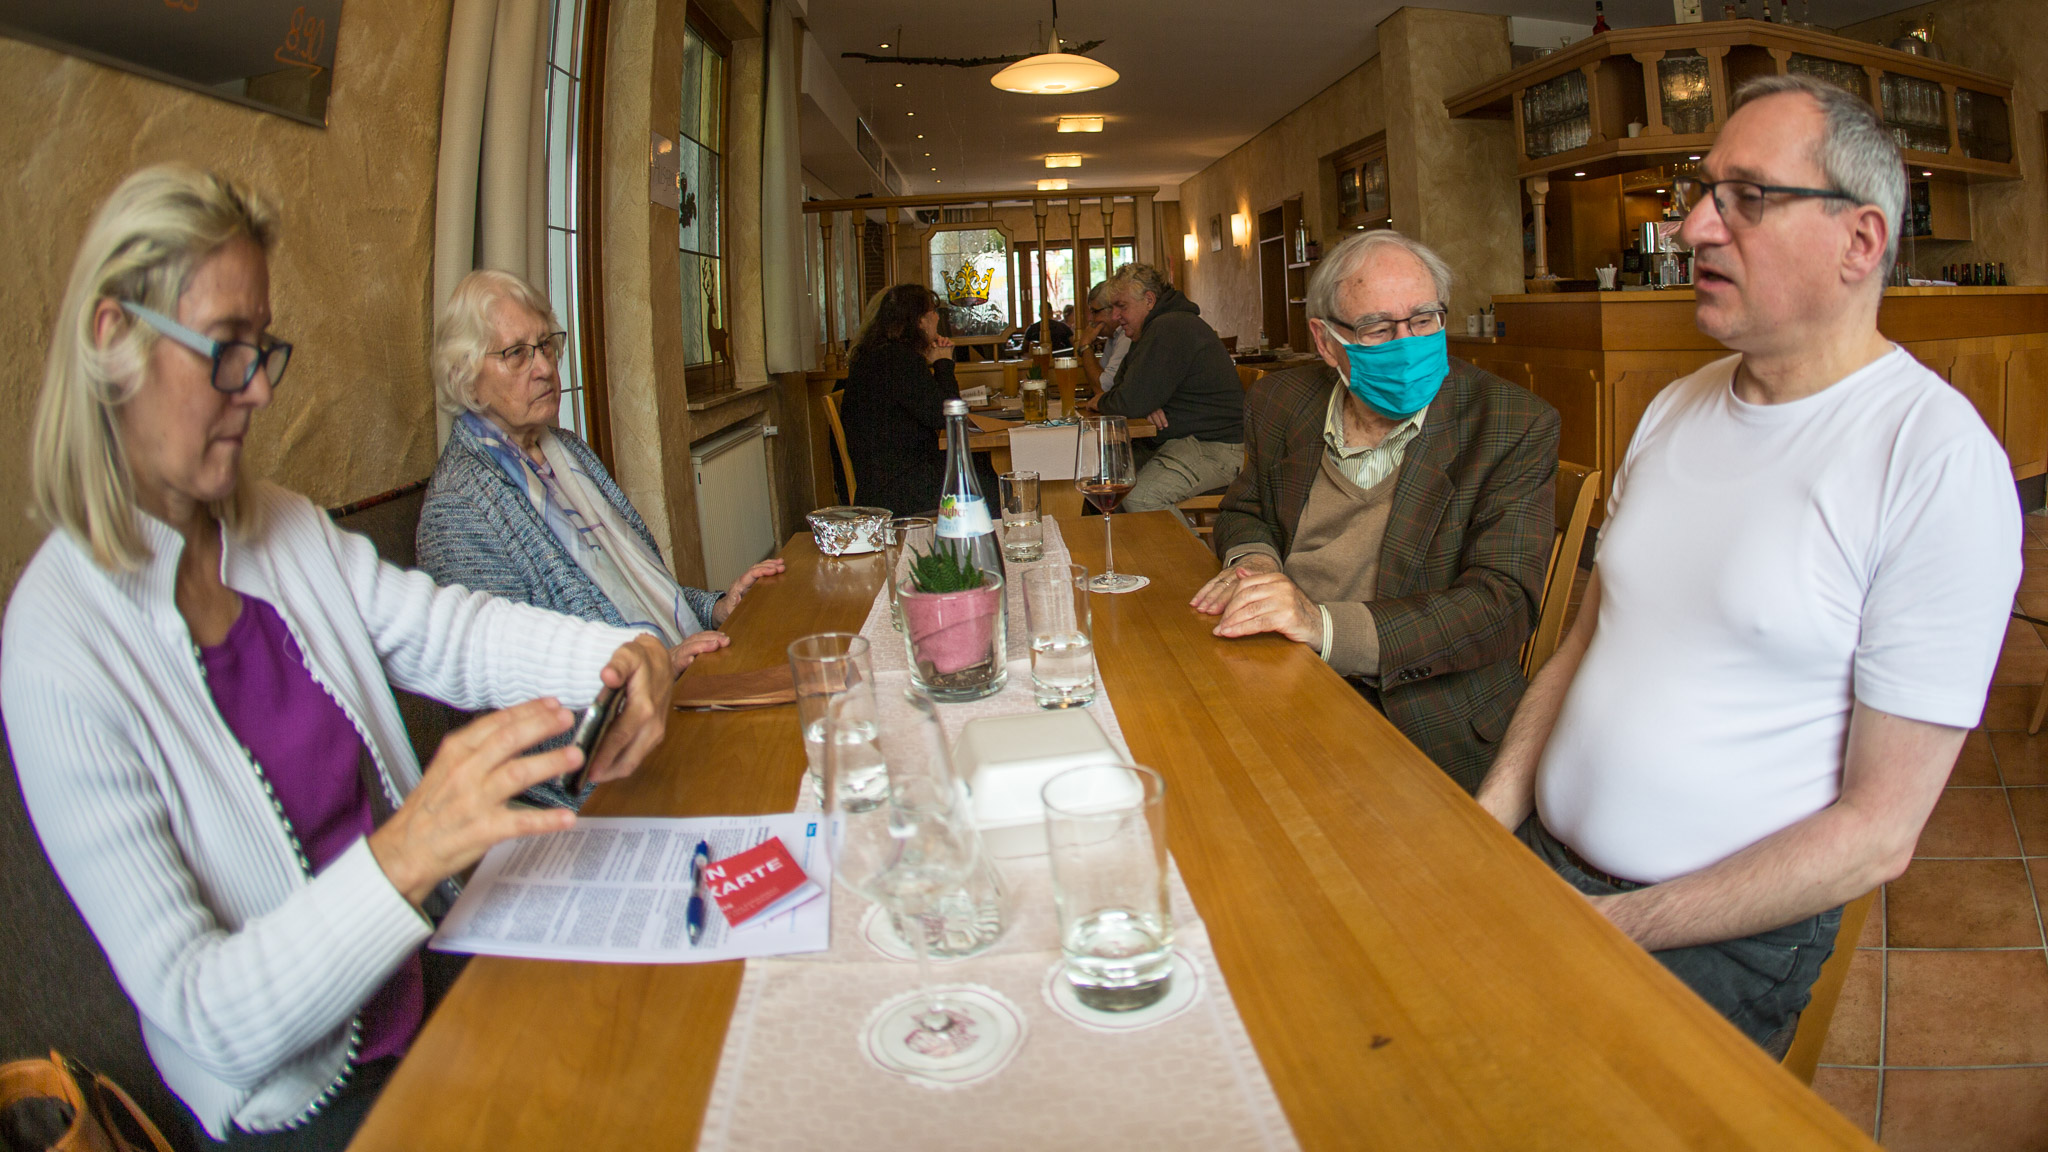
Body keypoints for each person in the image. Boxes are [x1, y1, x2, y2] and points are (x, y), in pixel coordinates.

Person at [2, 165, 676, 1148]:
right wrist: (409, 853)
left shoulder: (280, 528)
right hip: (311, 1104)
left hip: (437, 975)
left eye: (263, 349)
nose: (259, 389)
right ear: (113, 341)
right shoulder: (57, 646)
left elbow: (447, 632)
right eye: (226, 350)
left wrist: (624, 649)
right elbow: (204, 1014)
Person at [1475, 75, 2021, 1054]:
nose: (1692, 228)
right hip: (1539, 863)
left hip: (1712, 934)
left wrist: (1610, 927)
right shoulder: (1673, 407)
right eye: (1701, 192)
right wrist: (1489, 820)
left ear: (1859, 241)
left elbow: (1876, 832)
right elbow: (1583, 646)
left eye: (1747, 199)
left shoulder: (1931, 460)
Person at [1194, 231, 1559, 791]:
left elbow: (1502, 604)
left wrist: (1322, 625)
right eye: (1378, 329)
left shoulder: (1511, 423)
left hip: (1422, 708)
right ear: (1326, 341)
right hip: (1278, 668)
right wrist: (1256, 563)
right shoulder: (1282, 402)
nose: (1408, 345)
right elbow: (1246, 508)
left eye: (1424, 320)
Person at [415, 268, 780, 699]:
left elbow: (641, 590)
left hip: (680, 682)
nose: (544, 368)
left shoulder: (569, 452)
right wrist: (657, 668)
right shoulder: (458, 508)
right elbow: (508, 689)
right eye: (516, 354)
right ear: (466, 377)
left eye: (545, 346)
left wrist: (717, 608)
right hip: (622, 725)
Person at [1090, 263, 1245, 511]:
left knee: (1140, 497)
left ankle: (1181, 542)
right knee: (1104, 477)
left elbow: (1128, 400)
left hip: (1215, 449)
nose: (1115, 316)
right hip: (1184, 441)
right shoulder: (1152, 328)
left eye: (1122, 306)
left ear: (1149, 300)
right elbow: (1124, 388)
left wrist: (1110, 401)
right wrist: (1145, 402)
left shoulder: (1169, 327)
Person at [837, 282, 986, 516]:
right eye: (933, 312)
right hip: (902, 491)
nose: (938, 317)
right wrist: (943, 363)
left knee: (981, 467)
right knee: (987, 480)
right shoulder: (899, 361)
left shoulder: (877, 355)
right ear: (919, 321)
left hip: (884, 481)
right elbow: (945, 416)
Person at [1075, 280, 1131, 392]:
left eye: (1095, 312)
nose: (1090, 319)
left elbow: (1102, 389)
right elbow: (1100, 383)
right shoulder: (1113, 335)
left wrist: (1085, 346)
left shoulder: (1127, 335)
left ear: (1113, 310)